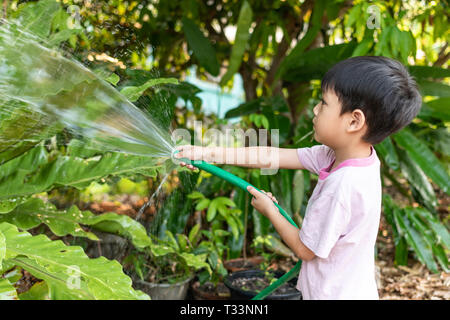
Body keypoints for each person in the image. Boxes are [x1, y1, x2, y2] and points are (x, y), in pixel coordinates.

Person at [174, 56, 422, 299]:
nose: (315, 109)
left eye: (324, 103)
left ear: (354, 121)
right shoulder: (349, 157)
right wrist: (206, 153)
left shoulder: (343, 186)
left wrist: (270, 210)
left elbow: (305, 250)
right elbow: (272, 156)